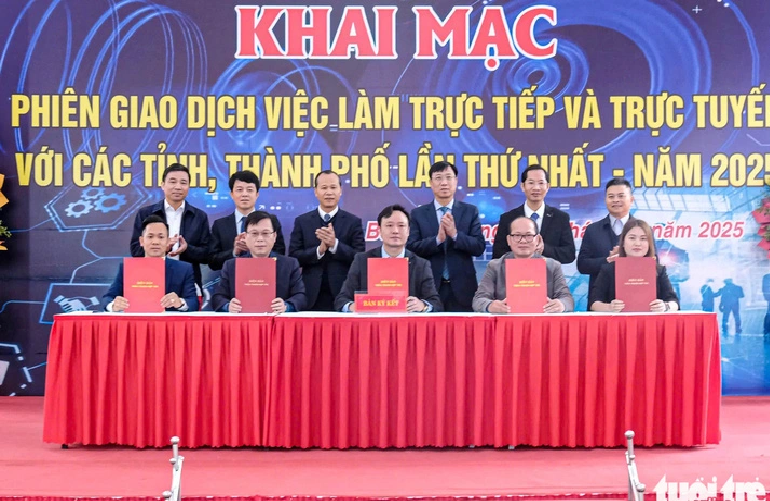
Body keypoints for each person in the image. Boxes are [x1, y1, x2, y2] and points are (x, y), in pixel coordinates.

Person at [407, 161, 485, 312]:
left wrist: (455, 235)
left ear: (456, 182)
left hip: (463, 288)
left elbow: (479, 247)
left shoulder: (470, 211)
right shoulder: (418, 214)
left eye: (449, 177)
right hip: (429, 288)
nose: (444, 183)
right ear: (431, 183)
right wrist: (437, 240)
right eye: (438, 178)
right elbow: (411, 248)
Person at [335, 205, 442, 313]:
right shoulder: (362, 260)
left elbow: (435, 303)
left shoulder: (421, 265)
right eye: (389, 225)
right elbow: (341, 300)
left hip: (406, 326)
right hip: (371, 326)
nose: (395, 231)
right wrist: (352, 307)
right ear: (379, 230)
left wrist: (423, 305)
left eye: (401, 225)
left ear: (408, 231)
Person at [288, 170, 365, 311]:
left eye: (333, 187)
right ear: (315, 191)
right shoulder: (302, 221)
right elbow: (293, 257)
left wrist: (335, 245)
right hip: (310, 295)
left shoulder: (353, 222)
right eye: (324, 188)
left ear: (340, 190)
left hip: (343, 294)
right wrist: (319, 251)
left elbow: (359, 257)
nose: (329, 192)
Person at [130, 163, 210, 290]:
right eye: (172, 181)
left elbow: (206, 255)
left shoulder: (199, 216)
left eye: (183, 182)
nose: (178, 187)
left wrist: (187, 249)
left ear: (189, 187)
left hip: (187, 281)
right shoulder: (145, 214)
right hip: (151, 279)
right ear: (162, 185)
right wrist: (162, 248)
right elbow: (135, 250)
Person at [473, 216, 573, 313]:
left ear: (537, 239)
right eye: (517, 235)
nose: (523, 241)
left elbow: (567, 299)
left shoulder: (552, 266)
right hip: (506, 324)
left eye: (529, 235)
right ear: (509, 240)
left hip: (543, 324)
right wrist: (490, 305)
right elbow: (478, 300)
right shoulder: (495, 266)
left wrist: (561, 304)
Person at [212, 211, 306, 313]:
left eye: (265, 233)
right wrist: (228, 306)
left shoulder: (290, 264)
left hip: (276, 324)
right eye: (254, 234)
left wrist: (286, 306)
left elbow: (301, 297)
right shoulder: (231, 265)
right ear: (245, 237)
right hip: (242, 324)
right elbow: (218, 297)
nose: (260, 239)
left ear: (274, 236)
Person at [103, 215, 199, 312]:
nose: (155, 242)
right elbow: (107, 299)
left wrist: (180, 302)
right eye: (150, 236)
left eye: (161, 237)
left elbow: (193, 303)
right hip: (135, 324)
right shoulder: (127, 268)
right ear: (141, 241)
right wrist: (113, 305)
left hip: (167, 325)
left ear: (168, 241)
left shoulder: (183, 269)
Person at [589, 219, 679, 312]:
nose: (637, 243)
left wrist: (665, 307)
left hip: (651, 323)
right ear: (623, 242)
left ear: (649, 244)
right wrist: (609, 307)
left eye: (643, 239)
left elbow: (674, 302)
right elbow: (594, 304)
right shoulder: (608, 269)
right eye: (632, 238)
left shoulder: (659, 270)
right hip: (617, 324)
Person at [492, 164, 575, 263]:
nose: (536, 188)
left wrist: (544, 249)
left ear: (547, 187)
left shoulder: (560, 218)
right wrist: (523, 252)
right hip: (516, 275)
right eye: (531, 183)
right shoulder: (508, 218)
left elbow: (569, 254)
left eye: (541, 183)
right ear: (523, 186)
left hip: (549, 276)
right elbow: (497, 254)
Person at [209, 171, 287, 271]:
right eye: (239, 190)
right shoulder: (220, 225)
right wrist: (234, 252)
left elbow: (280, 254)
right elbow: (212, 262)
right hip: (232, 282)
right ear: (232, 194)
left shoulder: (270, 222)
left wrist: (260, 250)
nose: (244, 194)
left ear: (257, 194)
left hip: (265, 278)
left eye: (250, 190)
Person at [577, 177, 634, 308]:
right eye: (611, 196)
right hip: (599, 303)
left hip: (633, 301)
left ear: (631, 200)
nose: (616, 200)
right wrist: (608, 261)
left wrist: (626, 261)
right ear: (605, 200)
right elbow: (582, 265)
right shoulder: (592, 230)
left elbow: (653, 265)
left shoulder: (642, 230)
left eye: (621, 196)